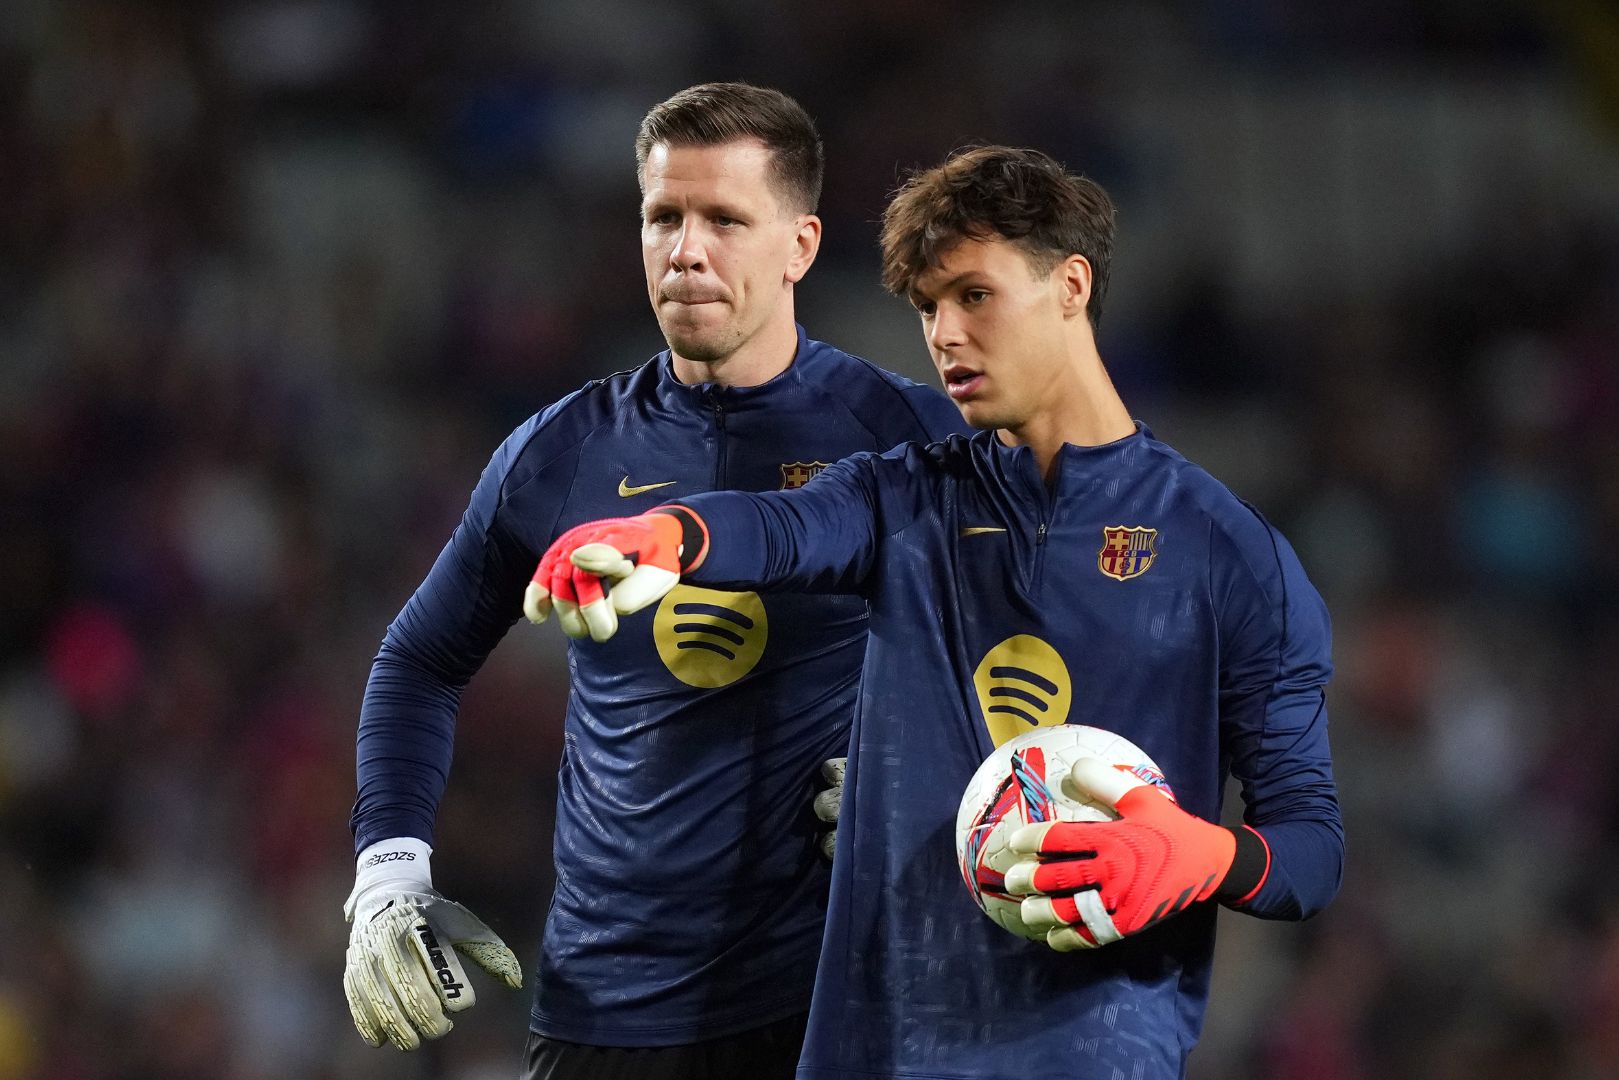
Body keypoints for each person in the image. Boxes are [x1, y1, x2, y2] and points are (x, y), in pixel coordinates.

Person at [525, 145, 1343, 1080]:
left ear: (1069, 285)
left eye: (973, 295)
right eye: (926, 308)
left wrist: (1200, 856)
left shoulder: (1228, 554)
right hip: (873, 1049)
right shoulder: (904, 500)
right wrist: (669, 535)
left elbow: (1309, 853)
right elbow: (783, 527)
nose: (943, 333)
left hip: (1081, 1053)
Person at [340, 83, 966, 1080]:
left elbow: (1040, 654)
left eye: (724, 219)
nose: (686, 250)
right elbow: (418, 664)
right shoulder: (558, 453)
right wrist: (386, 872)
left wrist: (938, 768)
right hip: (606, 1011)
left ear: (799, 246)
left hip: (844, 1005)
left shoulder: (905, 440)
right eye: (662, 217)